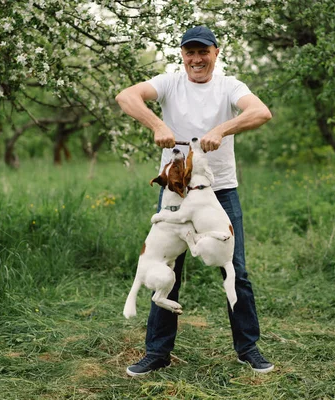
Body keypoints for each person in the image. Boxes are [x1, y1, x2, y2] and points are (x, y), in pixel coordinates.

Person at [115, 25, 273, 377]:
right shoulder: (169, 83)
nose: (196, 59)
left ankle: (248, 349)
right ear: (182, 55)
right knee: (167, 265)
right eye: (190, 52)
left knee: (237, 270)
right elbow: (126, 97)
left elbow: (261, 112)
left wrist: (222, 129)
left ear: (217, 52)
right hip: (175, 192)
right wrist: (156, 124)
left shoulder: (230, 86)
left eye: (204, 52)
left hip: (220, 193)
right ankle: (157, 353)